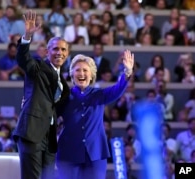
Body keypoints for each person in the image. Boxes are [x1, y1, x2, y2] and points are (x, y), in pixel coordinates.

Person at [56, 50, 134, 179]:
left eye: (85, 70)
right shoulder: (64, 96)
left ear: (91, 75)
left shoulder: (99, 95)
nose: (81, 73)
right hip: (68, 153)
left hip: (96, 153)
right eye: (78, 70)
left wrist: (127, 72)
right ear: (72, 74)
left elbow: (118, 88)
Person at [12, 10, 70, 179]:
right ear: (47, 52)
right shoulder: (37, 67)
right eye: (55, 49)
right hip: (32, 132)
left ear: (67, 53)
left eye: (63, 49)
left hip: (49, 137)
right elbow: (23, 59)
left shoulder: (63, 82)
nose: (59, 52)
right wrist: (27, 37)